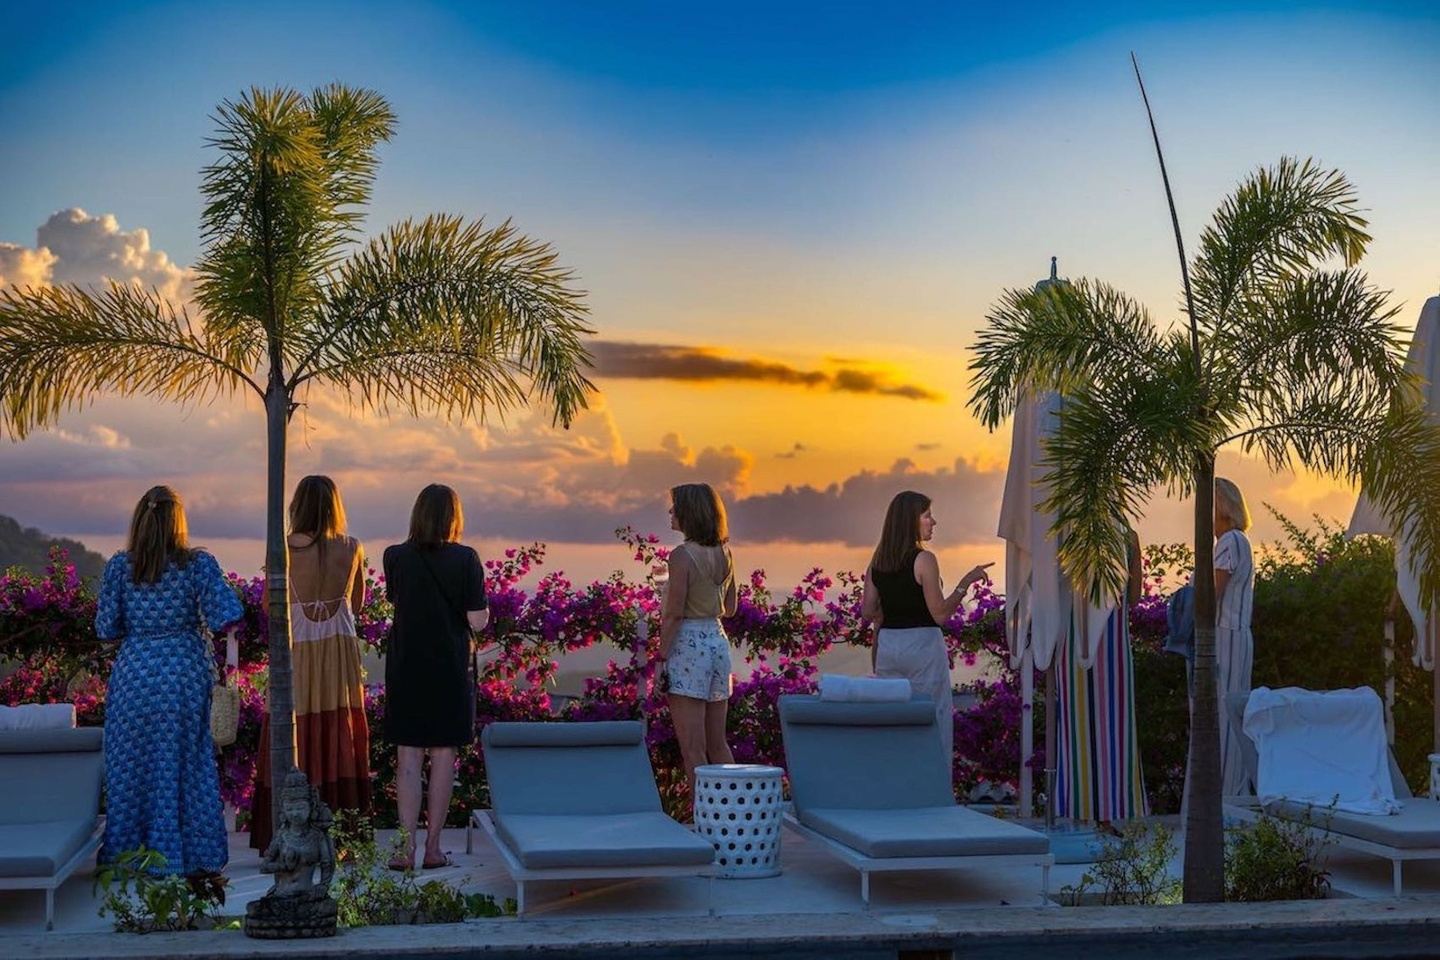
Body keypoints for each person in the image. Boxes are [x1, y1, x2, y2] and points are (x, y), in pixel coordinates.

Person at [94, 485, 242, 880]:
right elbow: (226, 613)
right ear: (178, 519)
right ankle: (191, 857)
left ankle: (130, 858)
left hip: (134, 678)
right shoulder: (197, 565)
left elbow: (106, 628)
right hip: (183, 676)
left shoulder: (120, 566)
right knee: (187, 766)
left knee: (132, 770)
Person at [250, 476, 372, 850]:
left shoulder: (281, 549)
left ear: (296, 506)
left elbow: (268, 605)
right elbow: (358, 602)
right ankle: (340, 833)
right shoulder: (351, 547)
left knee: (293, 729)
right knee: (338, 730)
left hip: (297, 650)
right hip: (339, 652)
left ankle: (286, 830)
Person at [382, 484, 488, 870]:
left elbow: (398, 601)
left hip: (406, 664)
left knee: (408, 756)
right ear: (453, 517)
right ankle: (433, 848)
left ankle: (405, 848)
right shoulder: (466, 558)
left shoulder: (395, 556)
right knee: (443, 755)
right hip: (449, 666)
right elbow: (477, 619)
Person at [861, 490, 992, 773]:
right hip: (922, 646)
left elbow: (868, 610)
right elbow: (940, 614)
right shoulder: (924, 559)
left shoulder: (878, 563)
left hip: (889, 647)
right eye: (927, 516)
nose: (934, 522)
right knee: (933, 720)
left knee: (894, 724)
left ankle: (894, 783)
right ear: (911, 521)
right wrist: (965, 583)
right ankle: (933, 787)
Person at [1054, 524, 1149, 828]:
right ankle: (1109, 811)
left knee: (1076, 724)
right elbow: (1134, 597)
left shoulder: (1068, 531)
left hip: (1074, 639)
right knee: (1115, 726)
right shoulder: (1128, 536)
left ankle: (1078, 808)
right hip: (1114, 643)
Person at [656, 482, 738, 802]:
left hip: (689, 645)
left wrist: (661, 659)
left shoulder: (682, 556)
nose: (670, 512)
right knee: (718, 744)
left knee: (693, 748)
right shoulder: (725, 553)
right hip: (717, 640)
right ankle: (733, 813)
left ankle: (705, 817)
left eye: (675, 507)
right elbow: (730, 607)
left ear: (690, 513)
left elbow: (675, 614)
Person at [1214, 476, 1256, 796]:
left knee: (1223, 717)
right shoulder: (1241, 541)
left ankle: (1225, 794)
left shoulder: (1229, 541)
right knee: (1233, 714)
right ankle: (1233, 790)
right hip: (1237, 636)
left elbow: (1212, 593)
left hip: (1225, 636)